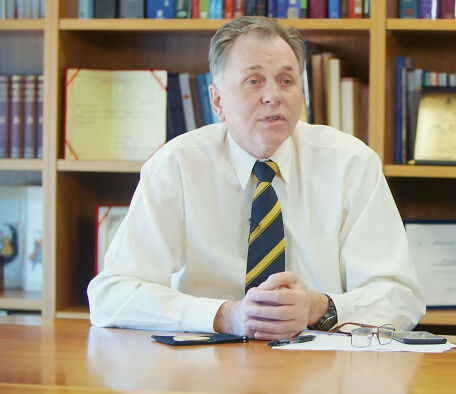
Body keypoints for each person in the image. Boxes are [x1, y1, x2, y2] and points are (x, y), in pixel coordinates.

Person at [87, 16, 425, 341]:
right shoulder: (176, 166)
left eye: (286, 81)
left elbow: (401, 296)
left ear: (301, 95)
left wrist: (319, 307)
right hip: (203, 367)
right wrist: (225, 315)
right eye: (253, 81)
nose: (273, 96)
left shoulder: (351, 164)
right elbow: (112, 294)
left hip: (319, 366)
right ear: (217, 100)